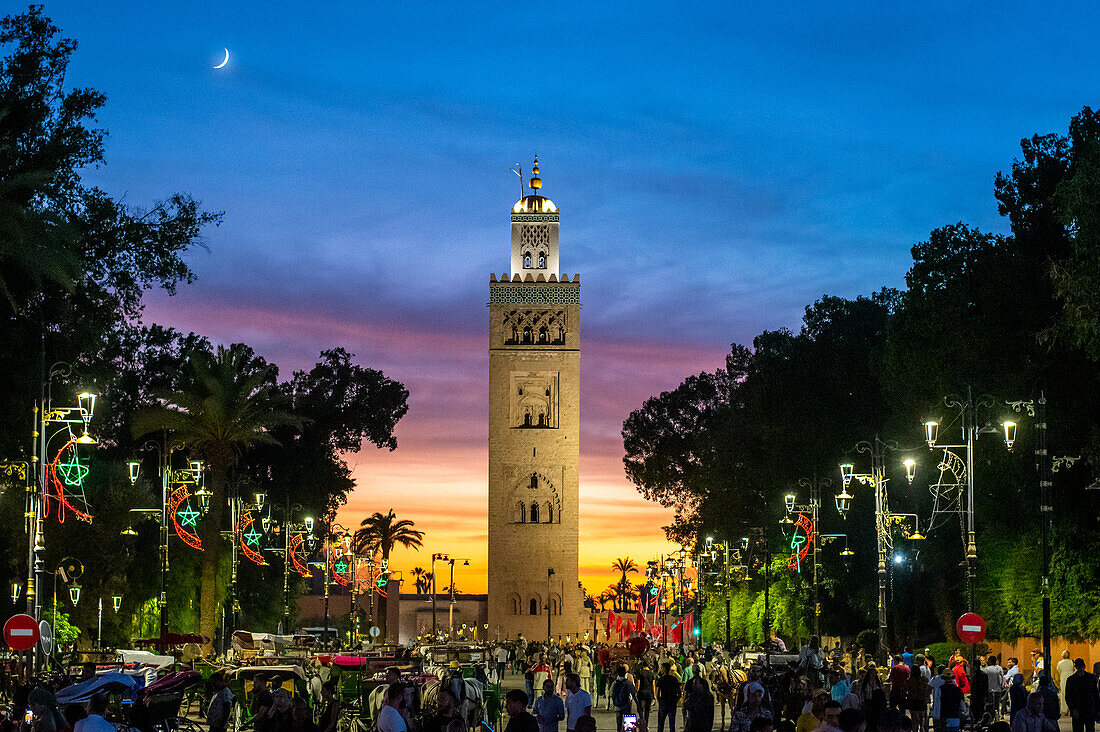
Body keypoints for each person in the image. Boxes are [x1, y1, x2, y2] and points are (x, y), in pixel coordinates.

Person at [1064, 658, 1099, 732]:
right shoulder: (1091, 678)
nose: (1080, 669)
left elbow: (1068, 696)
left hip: (1079, 709)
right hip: (1087, 709)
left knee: (1078, 728)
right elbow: (1095, 694)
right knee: (1089, 728)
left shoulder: (1071, 679)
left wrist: (1072, 709)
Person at [611, 666, 638, 732]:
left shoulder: (615, 683)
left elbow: (611, 694)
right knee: (628, 724)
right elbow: (634, 694)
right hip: (626, 705)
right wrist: (637, 704)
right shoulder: (628, 683)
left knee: (619, 724)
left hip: (618, 705)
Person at [656, 662, 681, 732]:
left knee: (661, 724)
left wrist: (659, 701)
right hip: (672, 702)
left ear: (664, 669)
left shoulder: (661, 680)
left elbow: (657, 693)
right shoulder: (674, 679)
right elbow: (679, 693)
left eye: (661, 668)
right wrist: (675, 701)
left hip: (663, 702)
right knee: (672, 724)